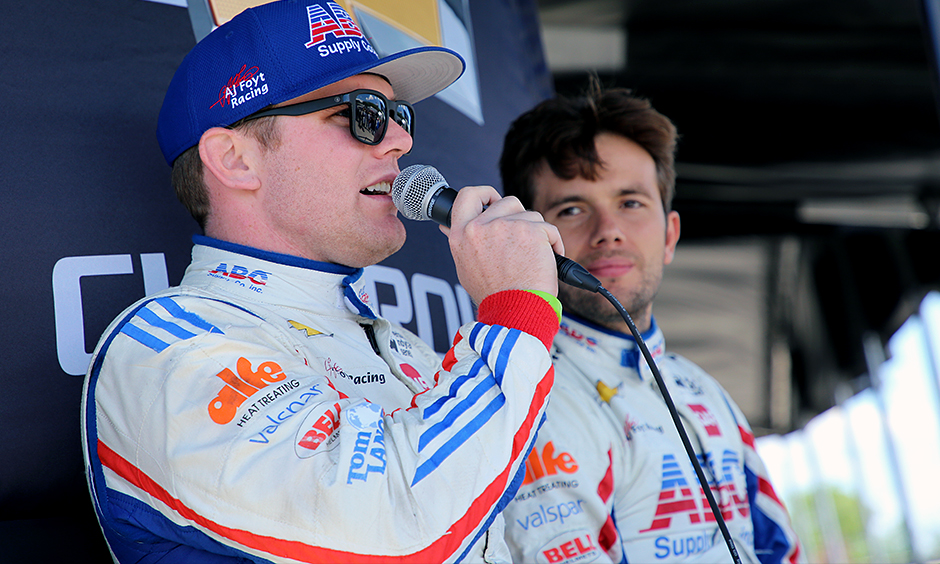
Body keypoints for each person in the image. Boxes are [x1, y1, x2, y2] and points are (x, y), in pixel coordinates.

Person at [81, 2, 565, 562]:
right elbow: (397, 531)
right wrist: (515, 311)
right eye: (360, 113)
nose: (399, 141)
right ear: (235, 160)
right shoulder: (167, 351)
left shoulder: (403, 347)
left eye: (399, 115)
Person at [498, 82, 803, 564]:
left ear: (670, 235)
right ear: (531, 239)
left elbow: (780, 548)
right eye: (572, 209)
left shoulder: (702, 388)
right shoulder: (530, 394)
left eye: (631, 202)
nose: (608, 231)